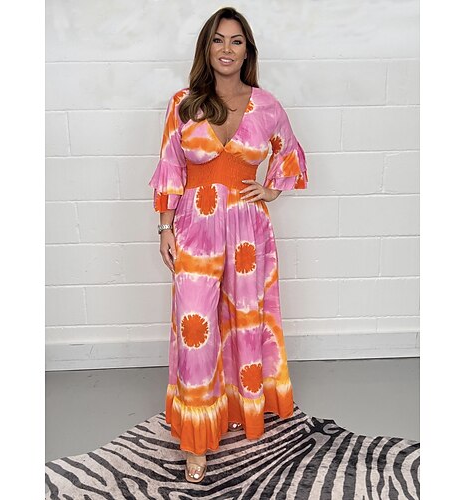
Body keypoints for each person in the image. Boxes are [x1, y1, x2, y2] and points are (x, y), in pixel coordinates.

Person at [149, 6, 308, 483]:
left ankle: (241, 408)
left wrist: (271, 189)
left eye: (236, 41)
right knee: (195, 328)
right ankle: (196, 438)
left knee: (243, 321)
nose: (226, 49)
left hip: (246, 231)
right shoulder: (184, 103)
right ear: (207, 47)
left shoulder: (267, 104)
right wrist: (164, 227)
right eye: (218, 40)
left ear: (247, 51)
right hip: (194, 227)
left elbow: (289, 152)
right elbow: (170, 166)